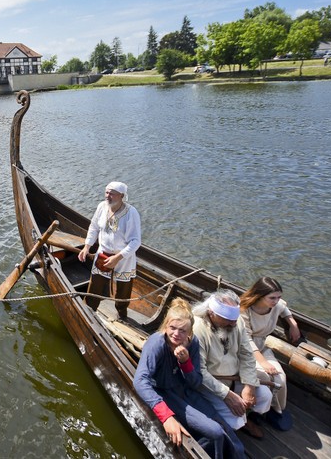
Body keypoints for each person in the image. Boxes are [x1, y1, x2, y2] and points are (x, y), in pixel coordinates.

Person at [134, 298, 245, 458]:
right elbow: (140, 381)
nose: (176, 334)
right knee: (214, 432)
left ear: (190, 332)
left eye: (183, 331)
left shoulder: (192, 343)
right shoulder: (156, 343)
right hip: (165, 394)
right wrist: (166, 417)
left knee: (223, 427)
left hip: (186, 392)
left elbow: (195, 382)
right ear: (166, 326)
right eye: (172, 328)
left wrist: (185, 363)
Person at [192, 289, 272, 439]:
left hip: (236, 378)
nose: (234, 324)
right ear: (211, 314)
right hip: (211, 385)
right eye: (228, 320)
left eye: (235, 319)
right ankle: (238, 422)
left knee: (265, 396)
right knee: (235, 420)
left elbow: (247, 354)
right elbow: (200, 372)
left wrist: (249, 385)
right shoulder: (197, 329)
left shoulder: (236, 322)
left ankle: (245, 417)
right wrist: (227, 395)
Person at [239, 276, 300, 431]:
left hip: (262, 346)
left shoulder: (276, 305)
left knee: (281, 377)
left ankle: (277, 410)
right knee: (267, 376)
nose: (276, 301)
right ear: (259, 295)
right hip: (245, 351)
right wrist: (263, 363)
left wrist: (293, 324)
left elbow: (284, 308)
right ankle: (260, 410)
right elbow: (246, 340)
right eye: (272, 298)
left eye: (279, 297)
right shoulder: (245, 310)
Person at [77, 181, 141, 320]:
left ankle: (122, 315)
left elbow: (136, 241)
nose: (108, 196)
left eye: (112, 194)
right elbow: (94, 227)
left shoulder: (131, 213)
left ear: (122, 196)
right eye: (106, 192)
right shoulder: (102, 206)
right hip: (103, 254)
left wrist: (117, 257)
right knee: (95, 285)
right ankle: (88, 312)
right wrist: (87, 246)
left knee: (124, 290)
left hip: (124, 258)